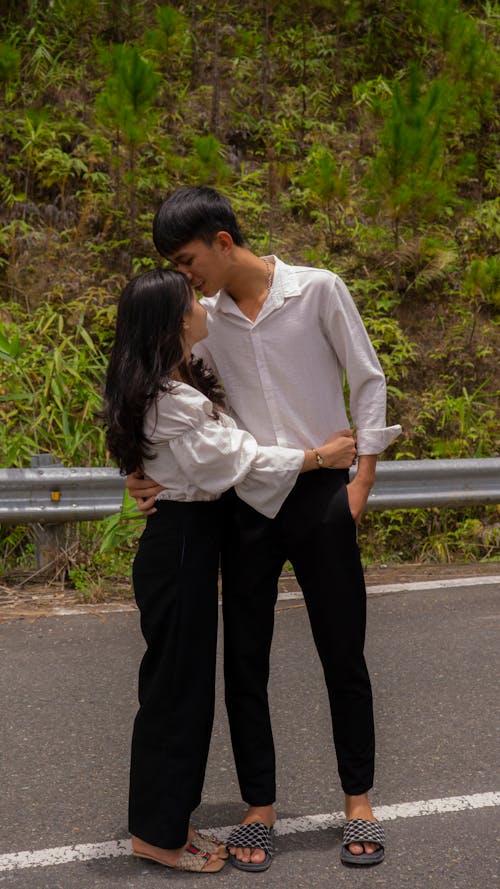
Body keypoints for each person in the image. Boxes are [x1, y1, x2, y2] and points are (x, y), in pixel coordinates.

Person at [127, 186, 401, 870]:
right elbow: (165, 400)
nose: (184, 275)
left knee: (344, 648)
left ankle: (358, 800)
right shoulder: (202, 320)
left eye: (188, 259)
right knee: (246, 657)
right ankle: (259, 808)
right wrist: (142, 472)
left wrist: (361, 479)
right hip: (246, 501)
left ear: (223, 241)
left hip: (323, 491)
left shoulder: (317, 290)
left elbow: (366, 378)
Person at [103, 266, 358, 873]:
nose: (202, 301)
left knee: (179, 686)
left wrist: (145, 477)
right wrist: (321, 455)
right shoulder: (173, 401)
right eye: (190, 298)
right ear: (171, 323)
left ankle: (166, 822)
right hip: (183, 545)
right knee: (177, 691)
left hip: (190, 540)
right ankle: (161, 834)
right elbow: (237, 462)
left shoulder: (174, 384)